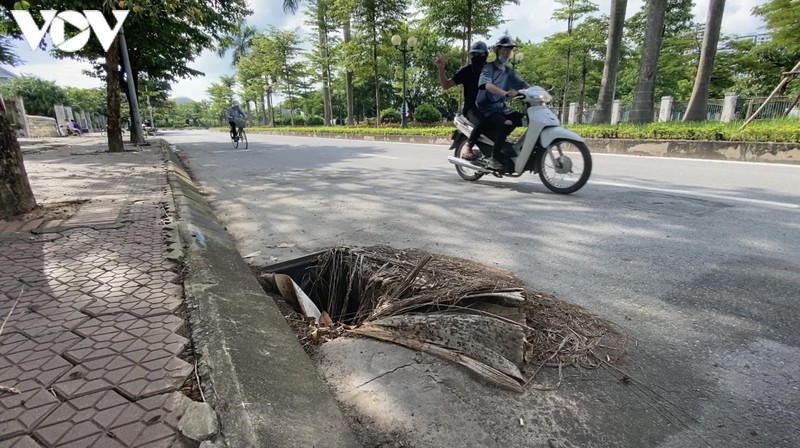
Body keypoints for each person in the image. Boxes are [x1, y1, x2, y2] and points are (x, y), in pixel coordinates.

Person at [476, 36, 530, 170]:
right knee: (506, 123)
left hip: (501, 108)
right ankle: (494, 157)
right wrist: (504, 93)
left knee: (525, 119)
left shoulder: (508, 72)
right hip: (487, 109)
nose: (508, 52)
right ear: (497, 50)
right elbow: (486, 85)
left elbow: (522, 84)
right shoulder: (488, 68)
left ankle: (513, 149)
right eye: (505, 49)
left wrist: (538, 92)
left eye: (510, 49)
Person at [435, 41, 489, 160]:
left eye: (479, 55)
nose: (476, 58)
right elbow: (446, 85)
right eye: (474, 55)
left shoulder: (492, 71)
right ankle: (468, 147)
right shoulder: (466, 71)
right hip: (472, 109)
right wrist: (441, 68)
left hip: (489, 107)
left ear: (486, 55)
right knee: (482, 122)